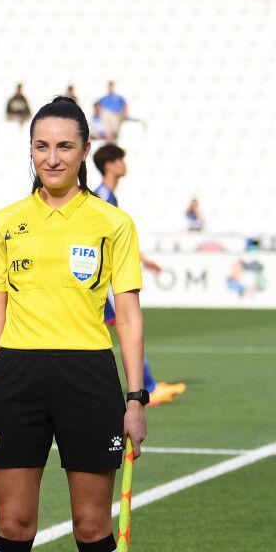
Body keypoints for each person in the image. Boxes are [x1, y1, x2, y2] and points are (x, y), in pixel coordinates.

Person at [0, 96, 148, 552]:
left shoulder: (112, 223)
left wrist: (136, 397)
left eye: (65, 146)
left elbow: (129, 317)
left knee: (92, 525)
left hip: (87, 376)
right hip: (17, 378)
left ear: (85, 150)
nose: (52, 157)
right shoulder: (3, 223)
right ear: (30, 150)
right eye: (42, 146)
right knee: (14, 523)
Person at [92, 143, 186, 405]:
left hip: (108, 276)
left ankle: (149, 384)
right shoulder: (102, 196)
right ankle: (148, 388)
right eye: (120, 160)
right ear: (110, 165)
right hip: (106, 280)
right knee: (128, 327)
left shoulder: (107, 195)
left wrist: (142, 259)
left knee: (124, 328)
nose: (124, 164)